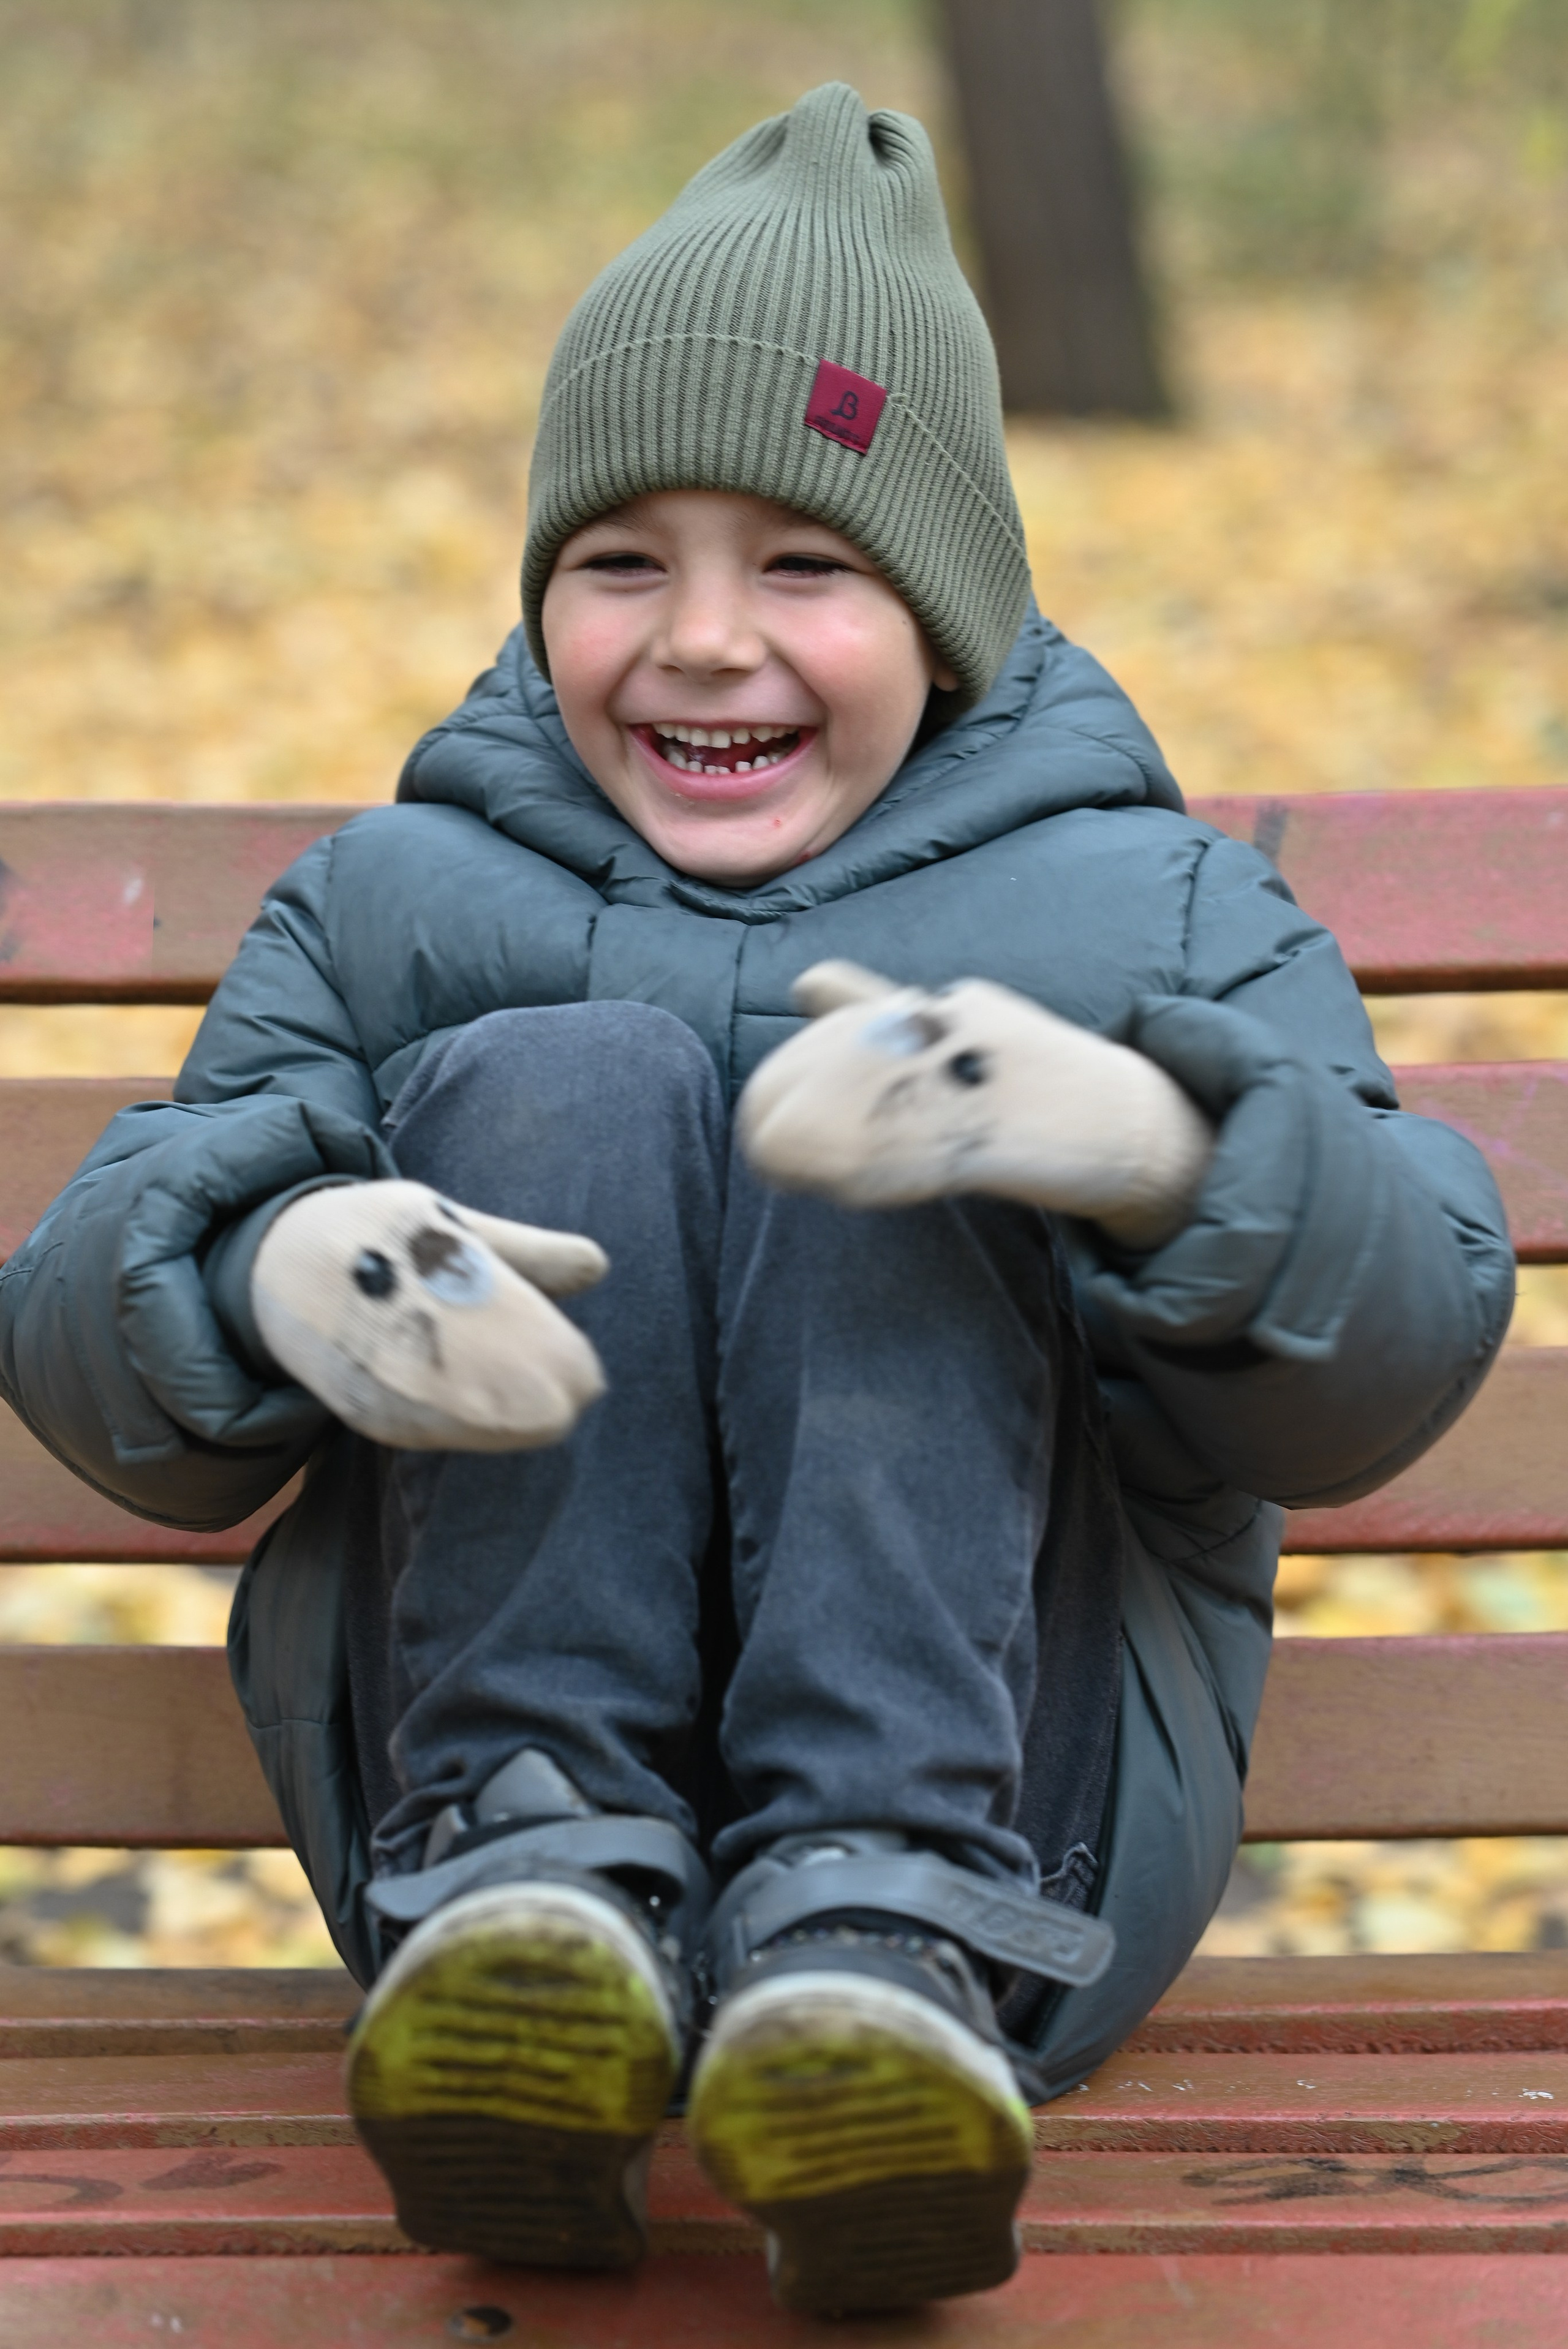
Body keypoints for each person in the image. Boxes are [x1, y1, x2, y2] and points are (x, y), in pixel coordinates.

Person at [0, 83, 1512, 2316]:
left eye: (805, 563)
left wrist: (1151, 1149)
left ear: (951, 600)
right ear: (540, 601)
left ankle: (873, 1936)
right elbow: (91, 1314)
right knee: (558, 1073)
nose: (704, 638)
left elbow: (1399, 1336)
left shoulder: (1167, 918)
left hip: (1023, 1829)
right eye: (625, 562)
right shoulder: (394, 906)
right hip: (459, 1866)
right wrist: (272, 1262)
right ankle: (540, 1921)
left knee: (907, 1097)